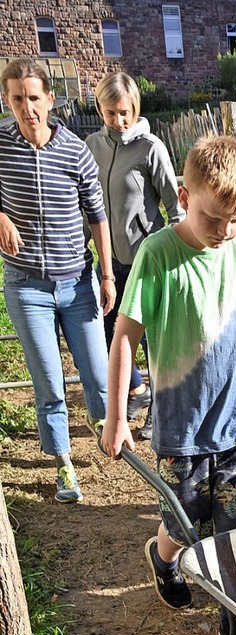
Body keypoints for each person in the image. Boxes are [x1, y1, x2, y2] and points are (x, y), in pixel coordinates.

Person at [101, 135, 236, 635]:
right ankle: (164, 561)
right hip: (181, 426)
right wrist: (118, 416)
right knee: (184, 526)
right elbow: (125, 337)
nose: (225, 231)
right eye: (214, 218)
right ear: (184, 196)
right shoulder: (158, 254)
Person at [0, 58, 115, 503]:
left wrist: (106, 274)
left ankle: (106, 426)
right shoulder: (2, 146)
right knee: (48, 381)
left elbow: (97, 216)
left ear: (50, 99)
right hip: (26, 284)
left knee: (99, 376)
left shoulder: (74, 150)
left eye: (33, 98)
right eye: (17, 98)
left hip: (78, 282)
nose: (27, 108)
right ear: (7, 101)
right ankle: (63, 463)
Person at [86, 71, 185, 440]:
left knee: (153, 339)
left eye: (125, 112)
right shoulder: (92, 146)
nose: (119, 120)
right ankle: (137, 389)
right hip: (109, 262)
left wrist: (176, 253)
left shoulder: (150, 148)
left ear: (135, 108)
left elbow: (176, 208)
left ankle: (158, 409)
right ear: (100, 108)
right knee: (114, 334)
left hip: (148, 259)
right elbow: (88, 204)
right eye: (111, 113)